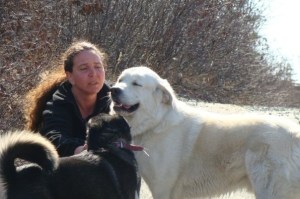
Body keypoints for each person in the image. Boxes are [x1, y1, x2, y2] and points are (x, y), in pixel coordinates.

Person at [24, 41, 111, 157]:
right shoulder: (58, 104)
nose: (93, 73)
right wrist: (80, 149)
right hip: (68, 169)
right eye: (84, 68)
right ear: (70, 76)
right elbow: (53, 139)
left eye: (98, 67)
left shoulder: (119, 100)